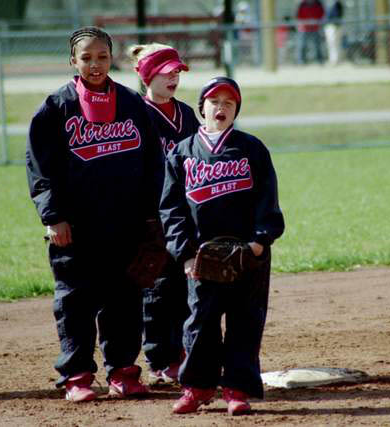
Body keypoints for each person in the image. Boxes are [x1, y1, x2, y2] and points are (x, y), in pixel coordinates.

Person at [26, 26, 163, 403]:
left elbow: (154, 163)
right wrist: (52, 216)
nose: (95, 64)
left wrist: (151, 215)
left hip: (126, 223)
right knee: (75, 302)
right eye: (86, 57)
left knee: (125, 300)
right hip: (76, 227)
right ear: (73, 61)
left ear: (112, 58)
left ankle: (123, 371)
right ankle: (77, 375)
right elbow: (40, 168)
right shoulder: (56, 107)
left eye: (102, 56)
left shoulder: (132, 103)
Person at [159, 77, 285, 416]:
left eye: (229, 103)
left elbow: (267, 198)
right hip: (202, 256)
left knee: (245, 322)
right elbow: (172, 209)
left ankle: (237, 389)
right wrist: (185, 254)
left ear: (236, 110)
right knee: (199, 322)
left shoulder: (251, 148)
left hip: (247, 254)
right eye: (214, 101)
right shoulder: (182, 152)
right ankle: (197, 387)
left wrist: (260, 241)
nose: (221, 107)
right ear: (202, 108)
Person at [127, 42, 201, 385]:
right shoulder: (136, 114)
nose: (173, 78)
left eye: (177, 72)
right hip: (151, 216)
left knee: (186, 284)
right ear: (147, 76)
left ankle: (183, 350)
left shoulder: (186, 113)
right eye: (165, 72)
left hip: (184, 214)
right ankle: (160, 358)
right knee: (157, 288)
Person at [295, 0, 325, 64]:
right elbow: (298, 15)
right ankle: (301, 60)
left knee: (317, 45)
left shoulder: (318, 3)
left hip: (315, 27)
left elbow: (322, 14)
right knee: (302, 45)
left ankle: (319, 60)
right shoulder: (302, 4)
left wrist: (316, 20)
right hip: (304, 28)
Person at [325, 0, 345, 65]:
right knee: (332, 44)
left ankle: (336, 60)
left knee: (335, 44)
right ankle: (334, 59)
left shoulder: (337, 4)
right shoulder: (330, 4)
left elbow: (337, 15)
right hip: (331, 26)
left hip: (334, 26)